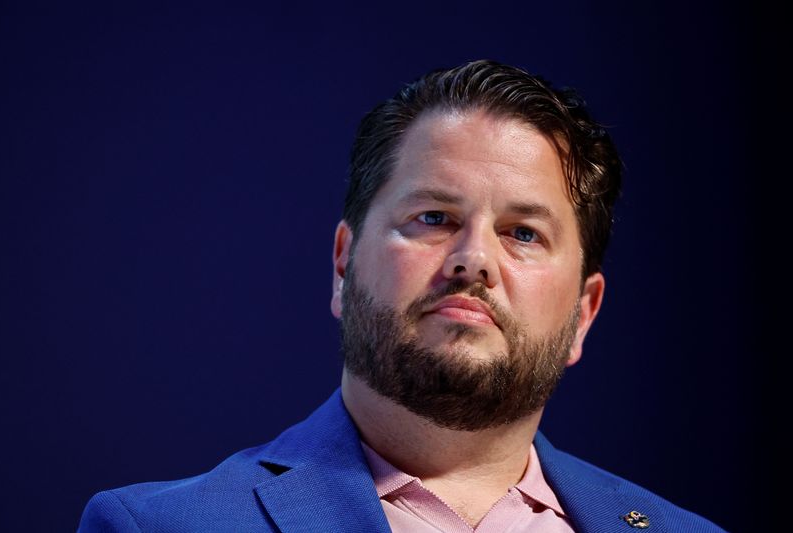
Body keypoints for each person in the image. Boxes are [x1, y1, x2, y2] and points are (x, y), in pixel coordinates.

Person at [78, 60, 726, 532]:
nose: (474, 258)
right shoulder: (153, 525)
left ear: (584, 314)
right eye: (434, 218)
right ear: (342, 263)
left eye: (523, 232)